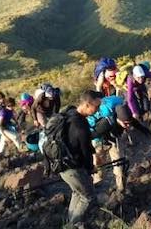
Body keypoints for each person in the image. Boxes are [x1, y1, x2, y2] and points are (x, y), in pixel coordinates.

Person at [90, 100, 151, 193]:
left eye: (129, 123)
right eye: (125, 123)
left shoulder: (129, 120)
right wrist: (95, 155)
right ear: (118, 119)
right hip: (99, 141)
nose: (128, 126)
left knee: (120, 167)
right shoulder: (105, 123)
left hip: (114, 139)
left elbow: (143, 129)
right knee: (97, 168)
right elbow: (90, 137)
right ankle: (95, 188)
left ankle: (121, 191)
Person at [58, 90, 102, 227]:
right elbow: (86, 152)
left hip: (62, 165)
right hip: (72, 168)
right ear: (87, 105)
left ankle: (70, 224)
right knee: (89, 197)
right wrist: (90, 168)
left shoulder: (70, 114)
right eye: (96, 106)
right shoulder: (80, 126)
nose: (98, 109)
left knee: (77, 194)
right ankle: (74, 225)